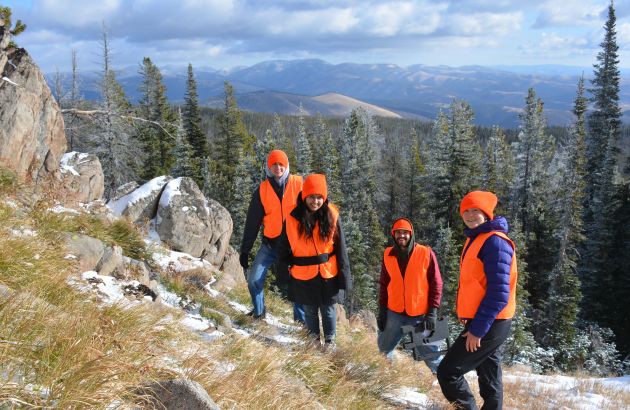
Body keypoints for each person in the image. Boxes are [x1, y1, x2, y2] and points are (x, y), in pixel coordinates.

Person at [437, 191, 518, 410]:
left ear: (487, 213)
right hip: (488, 319)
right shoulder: (477, 238)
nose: (470, 215)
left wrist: (478, 330)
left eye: (476, 210)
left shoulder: (494, 242)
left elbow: (498, 293)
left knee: (448, 371)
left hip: (491, 322)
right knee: (489, 374)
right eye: (466, 210)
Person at [279, 174, 351, 348]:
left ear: (324, 198)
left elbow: (341, 249)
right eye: (312, 197)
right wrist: (282, 274)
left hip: (328, 272)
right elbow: (283, 249)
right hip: (303, 273)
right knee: (310, 309)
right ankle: (313, 341)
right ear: (305, 196)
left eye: (320, 197)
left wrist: (345, 277)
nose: (315, 201)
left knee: (328, 309)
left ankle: (330, 342)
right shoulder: (292, 218)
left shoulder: (332, 215)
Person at [239, 149, 305, 322]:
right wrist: (245, 250)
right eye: (274, 164)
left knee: (298, 284)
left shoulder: (299, 184)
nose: (278, 167)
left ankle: (301, 323)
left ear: (287, 165)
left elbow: (314, 210)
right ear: (269, 167)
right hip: (270, 245)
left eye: (281, 164)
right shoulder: (262, 190)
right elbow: (252, 222)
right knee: (254, 279)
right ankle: (259, 312)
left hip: (294, 247)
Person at [377, 217, 443, 373]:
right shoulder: (387, 254)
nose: (402, 236)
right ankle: (388, 378)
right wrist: (382, 311)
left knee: (432, 355)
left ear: (411, 234)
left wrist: (432, 312)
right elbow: (384, 284)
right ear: (393, 235)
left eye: (405, 233)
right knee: (384, 349)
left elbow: (437, 284)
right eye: (398, 232)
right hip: (394, 312)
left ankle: (449, 385)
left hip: (420, 314)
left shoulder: (426, 253)